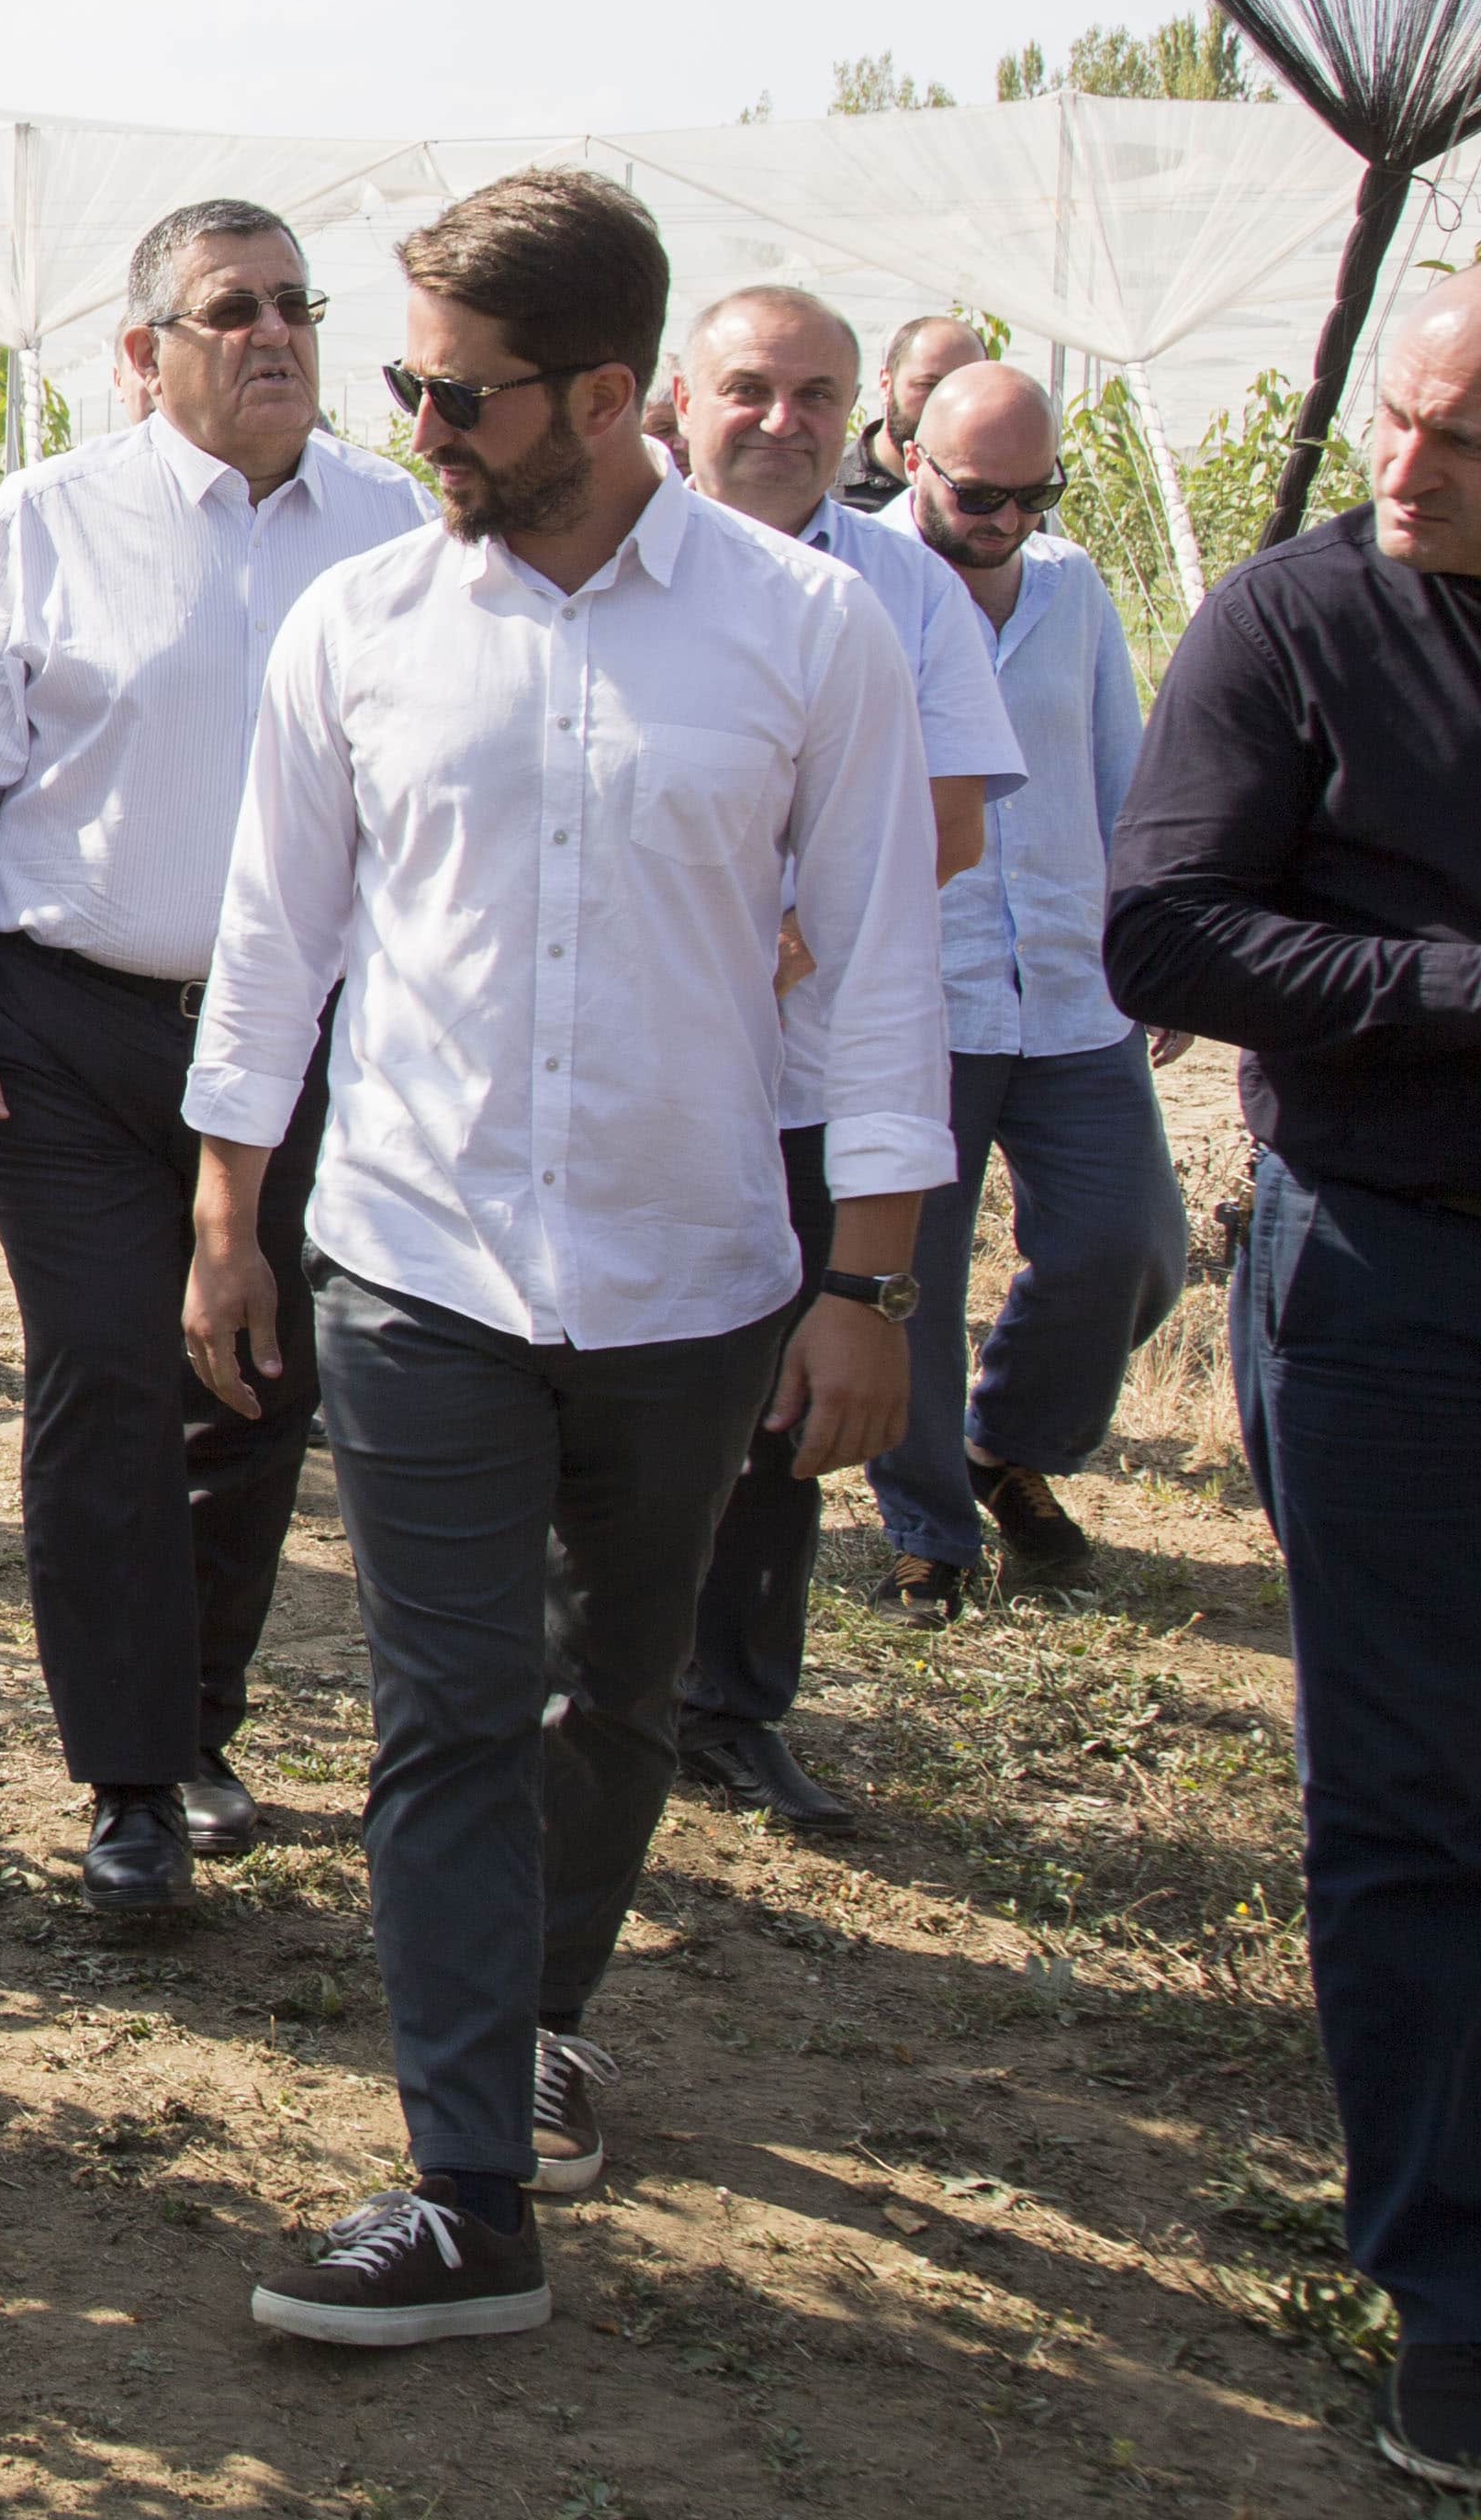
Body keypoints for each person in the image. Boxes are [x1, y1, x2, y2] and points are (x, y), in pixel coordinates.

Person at [186, 170, 942, 2347]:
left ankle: (529, 2021)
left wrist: (866, 1283)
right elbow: (272, 942)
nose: (413, 424)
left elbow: (879, 973)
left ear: (607, 396)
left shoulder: (805, 634)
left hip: (689, 1275)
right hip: (412, 1260)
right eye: (406, 380)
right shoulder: (357, 626)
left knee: (606, 1694)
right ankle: (465, 2190)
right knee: (440, 1712)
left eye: (459, 392)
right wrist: (225, 1219)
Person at [0, 198, 423, 1925]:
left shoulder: (395, 527)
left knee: (256, 1375)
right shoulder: (48, 521)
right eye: (231, 309)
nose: (274, 335)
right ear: (144, 351)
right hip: (74, 1033)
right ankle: (127, 1784)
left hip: (306, 1037)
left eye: (296, 305)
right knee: (107, 1376)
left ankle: (197, 1724)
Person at [1105, 263, 1481, 2496]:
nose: (1400, 468)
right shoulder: (1295, 622)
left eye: (1458, 443)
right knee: (1416, 1791)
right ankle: (1450, 2290)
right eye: (1394, 423)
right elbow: (1162, 930)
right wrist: (1453, 988)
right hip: (1395, 1277)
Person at [662, 286, 1016, 1828]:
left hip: (802, 1074)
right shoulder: (603, 564)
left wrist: (802, 914)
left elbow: (953, 815)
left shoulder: (906, 590)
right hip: (634, 1067)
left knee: (778, 1403)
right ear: (682, 400)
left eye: (816, 396)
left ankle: (731, 1706)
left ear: (861, 418)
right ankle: (584, 1697)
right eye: (750, 388)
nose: (781, 422)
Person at [865, 361, 1186, 1618]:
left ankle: (1005, 1445)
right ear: (912, 458)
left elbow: (1123, 771)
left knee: (1129, 1246)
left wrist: (1154, 939)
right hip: (921, 989)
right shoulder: (858, 586)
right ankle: (928, 1529)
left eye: (1033, 494)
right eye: (979, 493)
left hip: (1067, 980)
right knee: (913, 1279)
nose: (1006, 518)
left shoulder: (1073, 586)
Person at [841, 309, 990, 510]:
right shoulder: (820, 494)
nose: (946, 403)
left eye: (966, 388)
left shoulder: (999, 501)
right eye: (928, 385)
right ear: (886, 384)